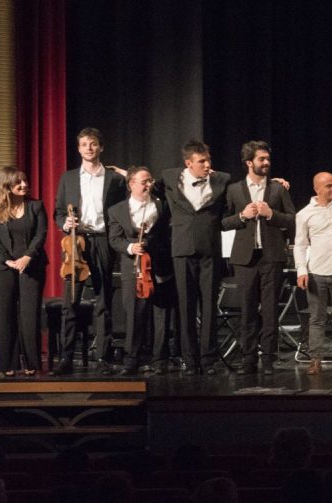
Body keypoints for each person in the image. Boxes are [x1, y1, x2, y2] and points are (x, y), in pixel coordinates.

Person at [52, 127, 127, 375]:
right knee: (70, 301)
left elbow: (121, 211)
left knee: (103, 300)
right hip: (77, 241)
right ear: (79, 148)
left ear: (101, 147)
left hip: (103, 240)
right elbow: (59, 211)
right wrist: (65, 223)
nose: (89, 148)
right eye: (84, 144)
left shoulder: (115, 179)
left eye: (93, 144)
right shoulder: (69, 177)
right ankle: (66, 358)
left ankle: (103, 358)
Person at [155, 139, 232, 375]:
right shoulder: (169, 177)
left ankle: (209, 359)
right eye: (201, 161)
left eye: (208, 160)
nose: (207, 165)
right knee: (185, 306)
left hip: (210, 250)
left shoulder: (222, 179)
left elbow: (241, 193)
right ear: (188, 164)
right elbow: (151, 188)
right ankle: (189, 359)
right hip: (182, 250)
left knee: (209, 306)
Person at [220, 141, 296, 375]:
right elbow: (222, 221)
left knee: (271, 309)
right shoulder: (234, 190)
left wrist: (271, 214)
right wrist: (242, 216)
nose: (266, 163)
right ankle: (248, 358)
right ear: (249, 162)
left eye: (267, 159)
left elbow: (293, 219)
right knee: (247, 309)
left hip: (271, 256)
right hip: (245, 258)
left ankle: (270, 359)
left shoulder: (277, 189)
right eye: (261, 159)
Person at [107, 166, 173, 375]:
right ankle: (132, 359)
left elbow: (166, 234)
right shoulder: (116, 210)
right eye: (143, 181)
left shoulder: (162, 206)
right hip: (133, 268)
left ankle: (160, 359)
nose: (148, 185)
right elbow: (115, 239)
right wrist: (130, 247)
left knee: (161, 313)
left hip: (159, 264)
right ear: (131, 184)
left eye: (150, 180)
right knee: (134, 314)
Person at [0, 167, 47, 377]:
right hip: (2, 268)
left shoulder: (35, 206)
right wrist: (9, 261)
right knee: (5, 315)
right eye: (18, 182)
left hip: (32, 266)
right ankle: (7, 364)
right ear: (6, 186)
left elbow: (41, 234)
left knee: (30, 315)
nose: (24, 185)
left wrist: (27, 257)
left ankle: (32, 363)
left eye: (25, 180)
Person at [294, 172, 332, 375]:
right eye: (329, 186)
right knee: (316, 319)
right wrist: (301, 270)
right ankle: (315, 360)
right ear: (317, 189)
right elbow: (300, 244)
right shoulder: (304, 214)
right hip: (317, 272)